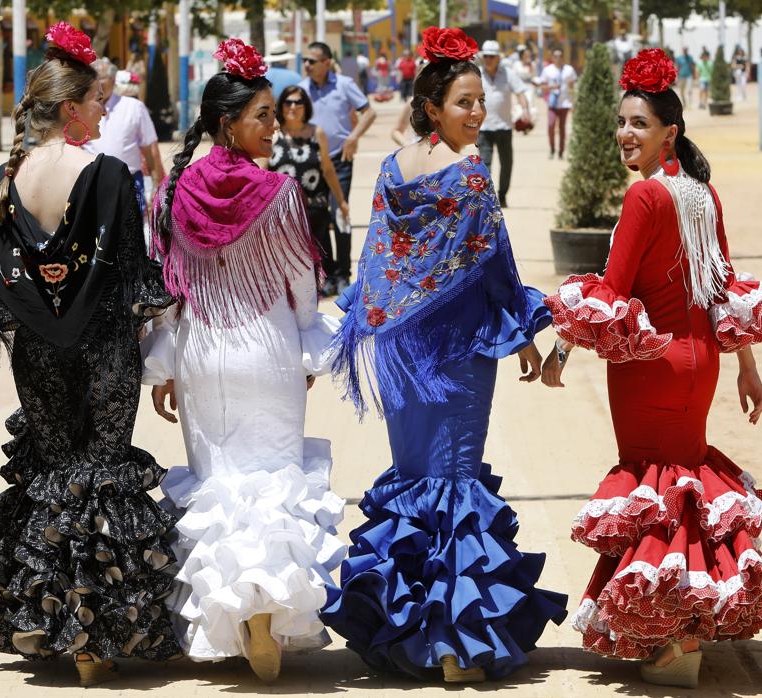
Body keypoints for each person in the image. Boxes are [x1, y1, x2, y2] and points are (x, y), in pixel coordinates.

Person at [0, 22, 181, 687]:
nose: (106, 109)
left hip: (38, 350)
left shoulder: (8, 175)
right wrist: (162, 354)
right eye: (98, 100)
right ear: (70, 107)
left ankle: (57, 620)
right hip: (102, 349)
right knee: (101, 474)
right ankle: (92, 639)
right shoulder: (104, 175)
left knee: (55, 472)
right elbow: (133, 276)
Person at [539, 49, 762, 689]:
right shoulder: (701, 195)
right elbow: (724, 289)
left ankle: (679, 641)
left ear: (668, 135)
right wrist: (746, 367)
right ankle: (686, 630)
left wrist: (560, 353)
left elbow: (613, 289)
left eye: (638, 125)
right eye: (621, 123)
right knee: (688, 487)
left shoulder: (647, 199)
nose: (626, 134)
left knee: (658, 492)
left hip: (651, 368)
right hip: (701, 360)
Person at [319, 26, 567, 684]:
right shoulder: (473, 177)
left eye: (481, 101)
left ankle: (412, 628)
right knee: (453, 478)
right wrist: (527, 335)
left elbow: (378, 263)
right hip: (458, 353)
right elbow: (500, 272)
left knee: (415, 474)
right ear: (433, 108)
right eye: (464, 102)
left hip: (402, 350)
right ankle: (455, 644)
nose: (478, 113)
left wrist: (357, 321)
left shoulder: (394, 170)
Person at [144, 38, 345, 684]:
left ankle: (231, 618)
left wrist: (167, 362)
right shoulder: (279, 193)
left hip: (203, 352)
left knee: (218, 486)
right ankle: (266, 614)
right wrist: (310, 342)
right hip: (268, 350)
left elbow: (166, 292)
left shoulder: (172, 192)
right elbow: (302, 284)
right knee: (274, 482)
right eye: (260, 114)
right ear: (227, 123)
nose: (271, 125)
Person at [301, 41, 377, 292]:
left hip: (339, 160)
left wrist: (353, 137)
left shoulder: (344, 85)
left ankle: (344, 273)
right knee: (318, 217)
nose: (306, 65)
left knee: (340, 214)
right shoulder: (302, 90)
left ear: (326, 62)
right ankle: (328, 273)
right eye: (305, 61)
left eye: (311, 61)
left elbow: (369, 112)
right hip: (313, 161)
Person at [270, 85, 351, 297]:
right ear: (281, 106)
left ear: (306, 107)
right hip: (283, 214)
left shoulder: (317, 133)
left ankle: (326, 284)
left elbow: (328, 169)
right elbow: (261, 171)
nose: (294, 107)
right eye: (289, 102)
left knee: (316, 261)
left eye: (299, 102)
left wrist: (341, 201)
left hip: (315, 210)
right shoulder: (272, 134)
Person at [83, 59, 163, 216]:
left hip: (130, 184)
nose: (97, 83)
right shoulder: (81, 108)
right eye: (94, 78)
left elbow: (150, 149)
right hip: (92, 185)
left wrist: (156, 187)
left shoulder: (134, 107)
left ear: (113, 80)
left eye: (101, 78)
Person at [477, 40, 531, 209]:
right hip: (483, 128)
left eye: (491, 56)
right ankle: (488, 197)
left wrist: (525, 110)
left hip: (504, 126)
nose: (488, 59)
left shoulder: (508, 74)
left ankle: (502, 195)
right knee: (484, 164)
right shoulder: (476, 74)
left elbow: (520, 92)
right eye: (485, 56)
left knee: (506, 163)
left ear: (498, 58)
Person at [540, 47, 576, 159]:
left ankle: (561, 151)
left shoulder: (569, 70)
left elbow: (572, 87)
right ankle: (552, 148)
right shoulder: (547, 70)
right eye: (555, 56)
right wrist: (551, 87)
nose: (558, 58)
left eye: (560, 56)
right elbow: (543, 87)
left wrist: (573, 101)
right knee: (551, 125)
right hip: (552, 103)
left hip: (564, 103)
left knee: (562, 128)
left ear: (563, 57)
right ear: (552, 58)